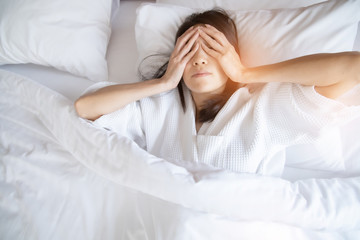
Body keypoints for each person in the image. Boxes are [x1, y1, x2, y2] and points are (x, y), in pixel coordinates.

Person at [75, 9, 360, 176]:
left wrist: (245, 74)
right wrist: (160, 84)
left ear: (231, 57)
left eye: (212, 50)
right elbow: (85, 107)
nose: (199, 59)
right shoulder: (156, 107)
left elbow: (353, 67)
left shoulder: (264, 107)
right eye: (188, 51)